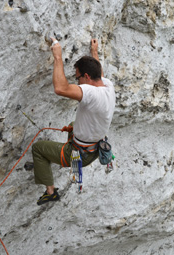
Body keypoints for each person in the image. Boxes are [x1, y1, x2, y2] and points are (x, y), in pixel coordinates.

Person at [32, 38, 116, 205]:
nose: (77, 82)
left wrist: (57, 56)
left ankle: (50, 192)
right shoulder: (107, 86)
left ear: (86, 77)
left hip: (78, 154)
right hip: (94, 146)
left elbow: (61, 88)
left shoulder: (92, 94)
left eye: (78, 78)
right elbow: (99, 74)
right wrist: (94, 52)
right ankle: (58, 154)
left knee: (38, 148)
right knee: (72, 124)